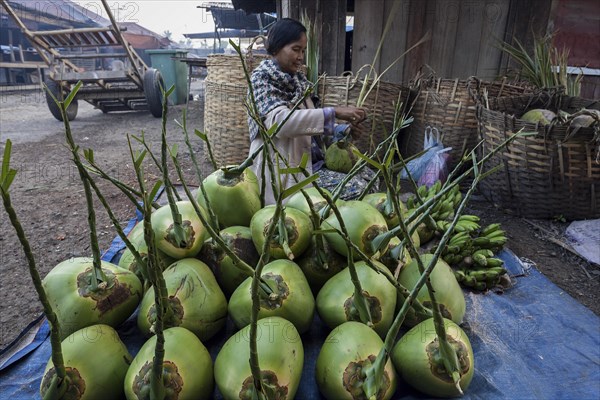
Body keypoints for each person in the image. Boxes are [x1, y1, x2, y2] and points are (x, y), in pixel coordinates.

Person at [247, 18, 376, 205]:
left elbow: (312, 129)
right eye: (295, 49)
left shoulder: (298, 82)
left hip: (312, 164)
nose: (301, 57)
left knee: (371, 176)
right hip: (285, 172)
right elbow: (280, 123)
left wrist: (344, 131)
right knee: (358, 188)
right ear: (276, 48)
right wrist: (334, 112)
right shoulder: (261, 81)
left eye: (303, 51)